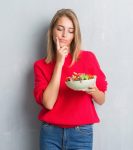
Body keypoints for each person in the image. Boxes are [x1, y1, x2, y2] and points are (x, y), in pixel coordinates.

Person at [33, 8, 107, 150]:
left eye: (70, 31)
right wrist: (59, 63)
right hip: (50, 133)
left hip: (81, 134)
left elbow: (101, 99)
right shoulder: (40, 66)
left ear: (75, 35)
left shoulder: (88, 58)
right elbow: (48, 103)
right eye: (60, 29)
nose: (64, 35)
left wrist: (93, 89)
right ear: (52, 31)